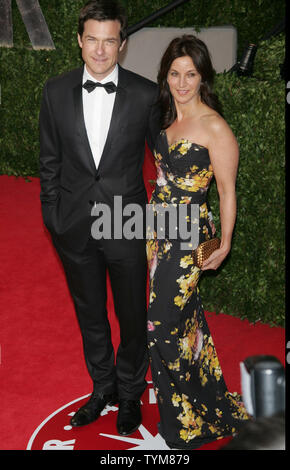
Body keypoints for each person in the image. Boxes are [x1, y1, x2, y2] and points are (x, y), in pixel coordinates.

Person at [39, 0, 160, 436]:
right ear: (79, 41)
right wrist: (53, 216)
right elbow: (48, 162)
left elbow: (164, 163)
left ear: (122, 45)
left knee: (130, 315)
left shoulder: (146, 94)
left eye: (110, 40)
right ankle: (103, 387)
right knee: (90, 314)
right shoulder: (55, 91)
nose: (101, 49)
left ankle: (129, 394)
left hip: (125, 222)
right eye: (93, 38)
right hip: (73, 224)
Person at [146, 35, 249, 449]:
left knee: (163, 326)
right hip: (159, 233)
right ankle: (200, 402)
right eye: (174, 73)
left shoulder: (215, 127)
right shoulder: (167, 121)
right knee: (185, 322)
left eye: (190, 74)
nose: (182, 82)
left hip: (191, 237)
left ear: (202, 77)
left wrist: (224, 244)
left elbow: (227, 192)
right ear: (165, 76)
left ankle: (190, 419)